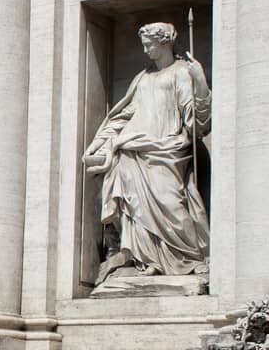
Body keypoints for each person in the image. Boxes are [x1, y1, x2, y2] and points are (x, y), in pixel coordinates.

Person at [84, 22, 211, 281]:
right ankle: (146, 258)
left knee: (171, 202)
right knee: (135, 208)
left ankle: (190, 255)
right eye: (143, 44)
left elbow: (197, 122)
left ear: (164, 42)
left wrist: (200, 82)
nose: (145, 50)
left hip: (168, 148)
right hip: (133, 150)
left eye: (149, 44)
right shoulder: (142, 78)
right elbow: (122, 117)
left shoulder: (182, 73)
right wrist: (98, 143)